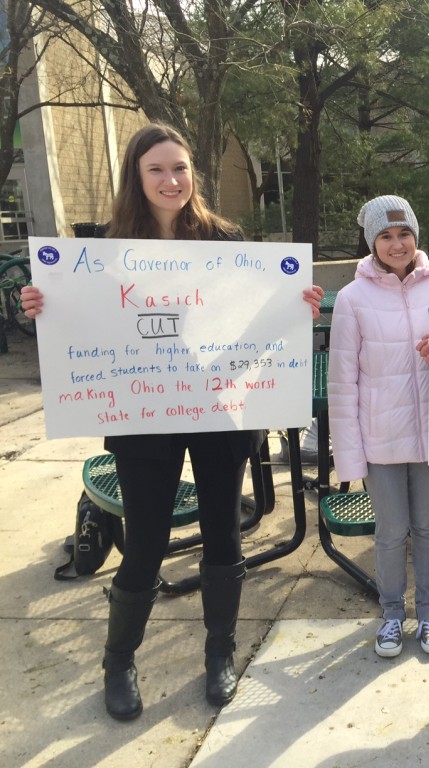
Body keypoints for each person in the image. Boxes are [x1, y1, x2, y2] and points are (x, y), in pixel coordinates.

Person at [20, 123, 323, 721]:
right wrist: (43, 310)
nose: (172, 180)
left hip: (220, 413)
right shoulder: (100, 253)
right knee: (147, 541)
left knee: (222, 531)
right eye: (157, 169)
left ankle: (220, 653)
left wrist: (297, 304)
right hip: (144, 417)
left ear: (194, 175)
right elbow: (86, 329)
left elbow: (256, 319)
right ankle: (119, 660)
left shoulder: (227, 240)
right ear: (137, 175)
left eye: (180, 169)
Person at [328, 195, 429, 659]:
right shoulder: (352, 297)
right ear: (372, 242)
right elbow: (342, 382)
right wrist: (348, 455)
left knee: (427, 527)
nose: (397, 243)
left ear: (416, 236)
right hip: (379, 439)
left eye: (404, 234)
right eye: (386, 235)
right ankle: (390, 616)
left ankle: (428, 614)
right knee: (390, 531)